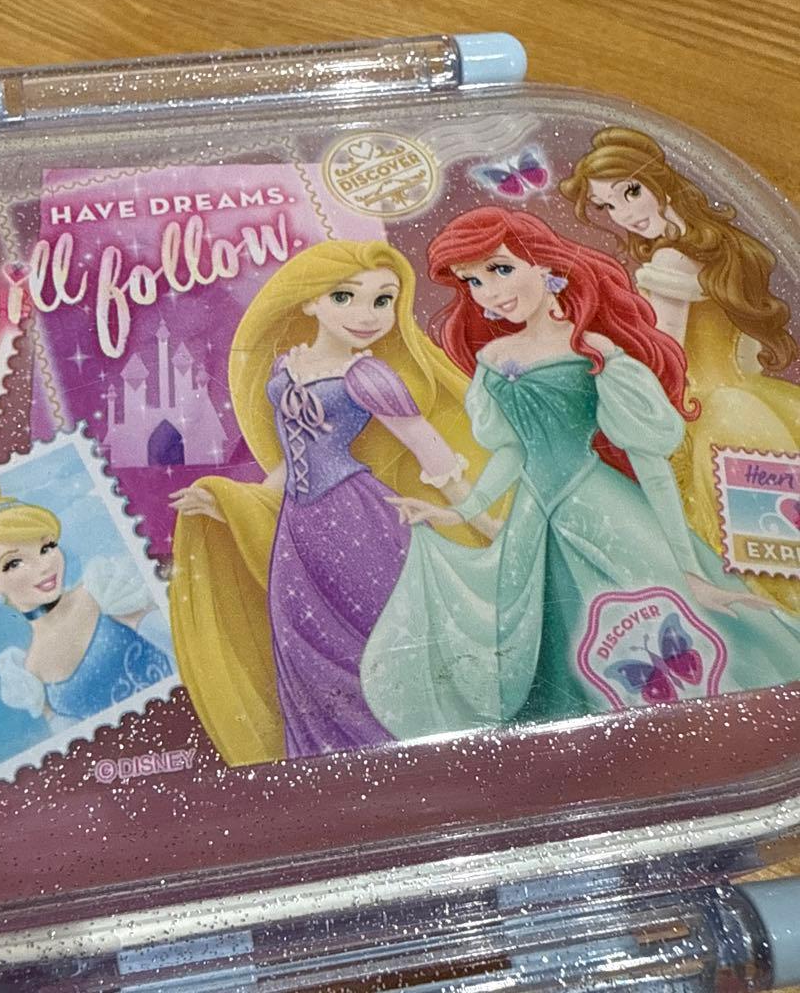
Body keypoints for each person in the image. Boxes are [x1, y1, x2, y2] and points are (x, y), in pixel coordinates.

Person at [386, 207, 800, 725]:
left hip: (604, 509)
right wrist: (461, 511)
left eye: (500, 269)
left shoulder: (595, 351)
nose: (490, 292)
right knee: (548, 649)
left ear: (543, 264)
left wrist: (690, 569)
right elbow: (512, 453)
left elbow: (650, 467)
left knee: (665, 633)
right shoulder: (494, 360)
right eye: (474, 281)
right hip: (532, 525)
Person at [168, 240, 502, 766]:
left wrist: (484, 522)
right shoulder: (285, 368)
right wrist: (229, 504)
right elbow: (290, 463)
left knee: (379, 647)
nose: (367, 315)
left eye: (383, 300)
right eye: (345, 297)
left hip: (361, 526)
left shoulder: (369, 376)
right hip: (298, 539)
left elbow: (431, 451)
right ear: (309, 301)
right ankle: (334, 774)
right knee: (305, 652)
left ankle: (426, 763)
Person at [560, 127, 800, 611]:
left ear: (659, 179)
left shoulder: (670, 260)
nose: (625, 215)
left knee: (730, 544)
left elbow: (662, 353)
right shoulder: (721, 246)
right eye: (608, 206)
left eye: (631, 191)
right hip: (754, 400)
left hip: (702, 412)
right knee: (774, 539)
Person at [0, 480, 172, 722]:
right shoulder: (29, 677)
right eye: (14, 563)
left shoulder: (106, 593)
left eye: (46, 547)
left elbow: (183, 646)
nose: (43, 566)